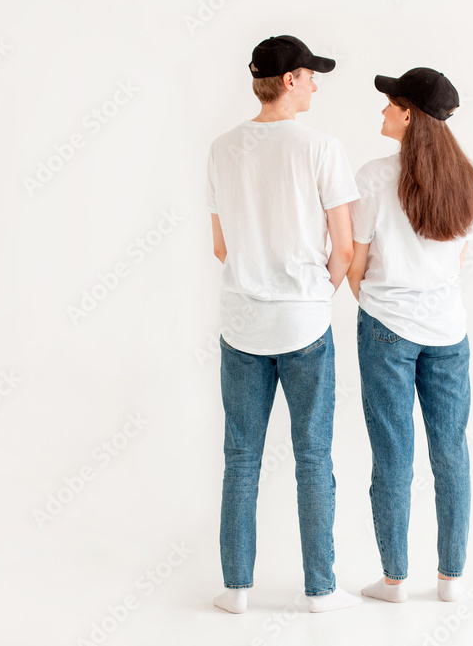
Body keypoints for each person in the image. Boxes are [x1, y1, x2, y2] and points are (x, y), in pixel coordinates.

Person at [207, 35, 362, 614]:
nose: (318, 84)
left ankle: (237, 590)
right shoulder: (321, 147)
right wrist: (312, 297)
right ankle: (321, 590)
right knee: (313, 457)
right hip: (303, 325)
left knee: (241, 457)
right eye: (312, 75)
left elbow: (221, 246)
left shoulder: (222, 148)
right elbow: (344, 249)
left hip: (240, 323)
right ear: (291, 79)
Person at [346, 67, 473, 603]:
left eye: (389, 103)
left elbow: (355, 262)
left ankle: (394, 581)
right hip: (450, 331)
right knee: (451, 452)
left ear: (408, 114)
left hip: (387, 330)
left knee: (393, 454)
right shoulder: (467, 180)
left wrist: (378, 304)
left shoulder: (373, 177)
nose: (382, 111)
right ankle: (451, 580)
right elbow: (458, 258)